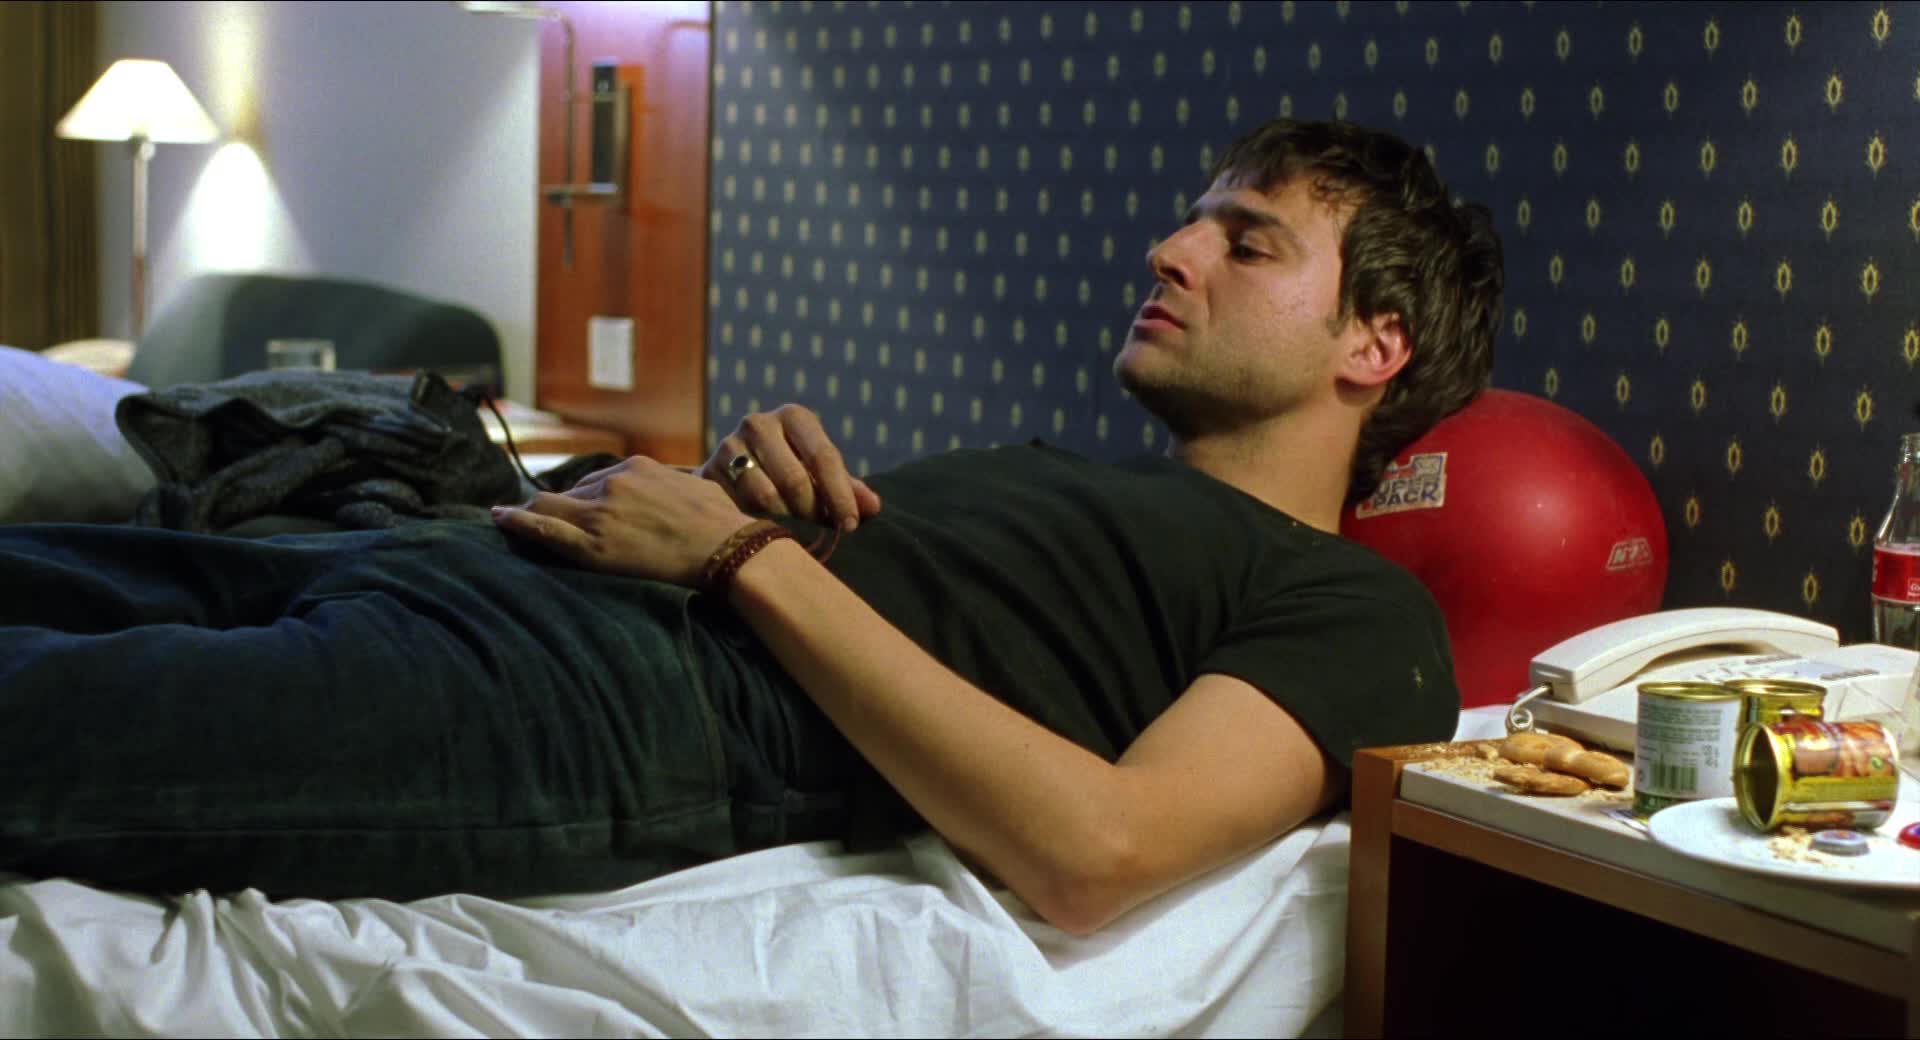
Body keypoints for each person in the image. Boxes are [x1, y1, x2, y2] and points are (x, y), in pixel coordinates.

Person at [0, 118, 1501, 936]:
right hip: (491, 558)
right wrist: (746, 490)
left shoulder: (1364, 616)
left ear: (1373, 346)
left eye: (1248, 244)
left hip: (625, 697)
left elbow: (1097, 852)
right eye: (1194, 220)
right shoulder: (1088, 484)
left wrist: (738, 557)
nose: (1172, 249)